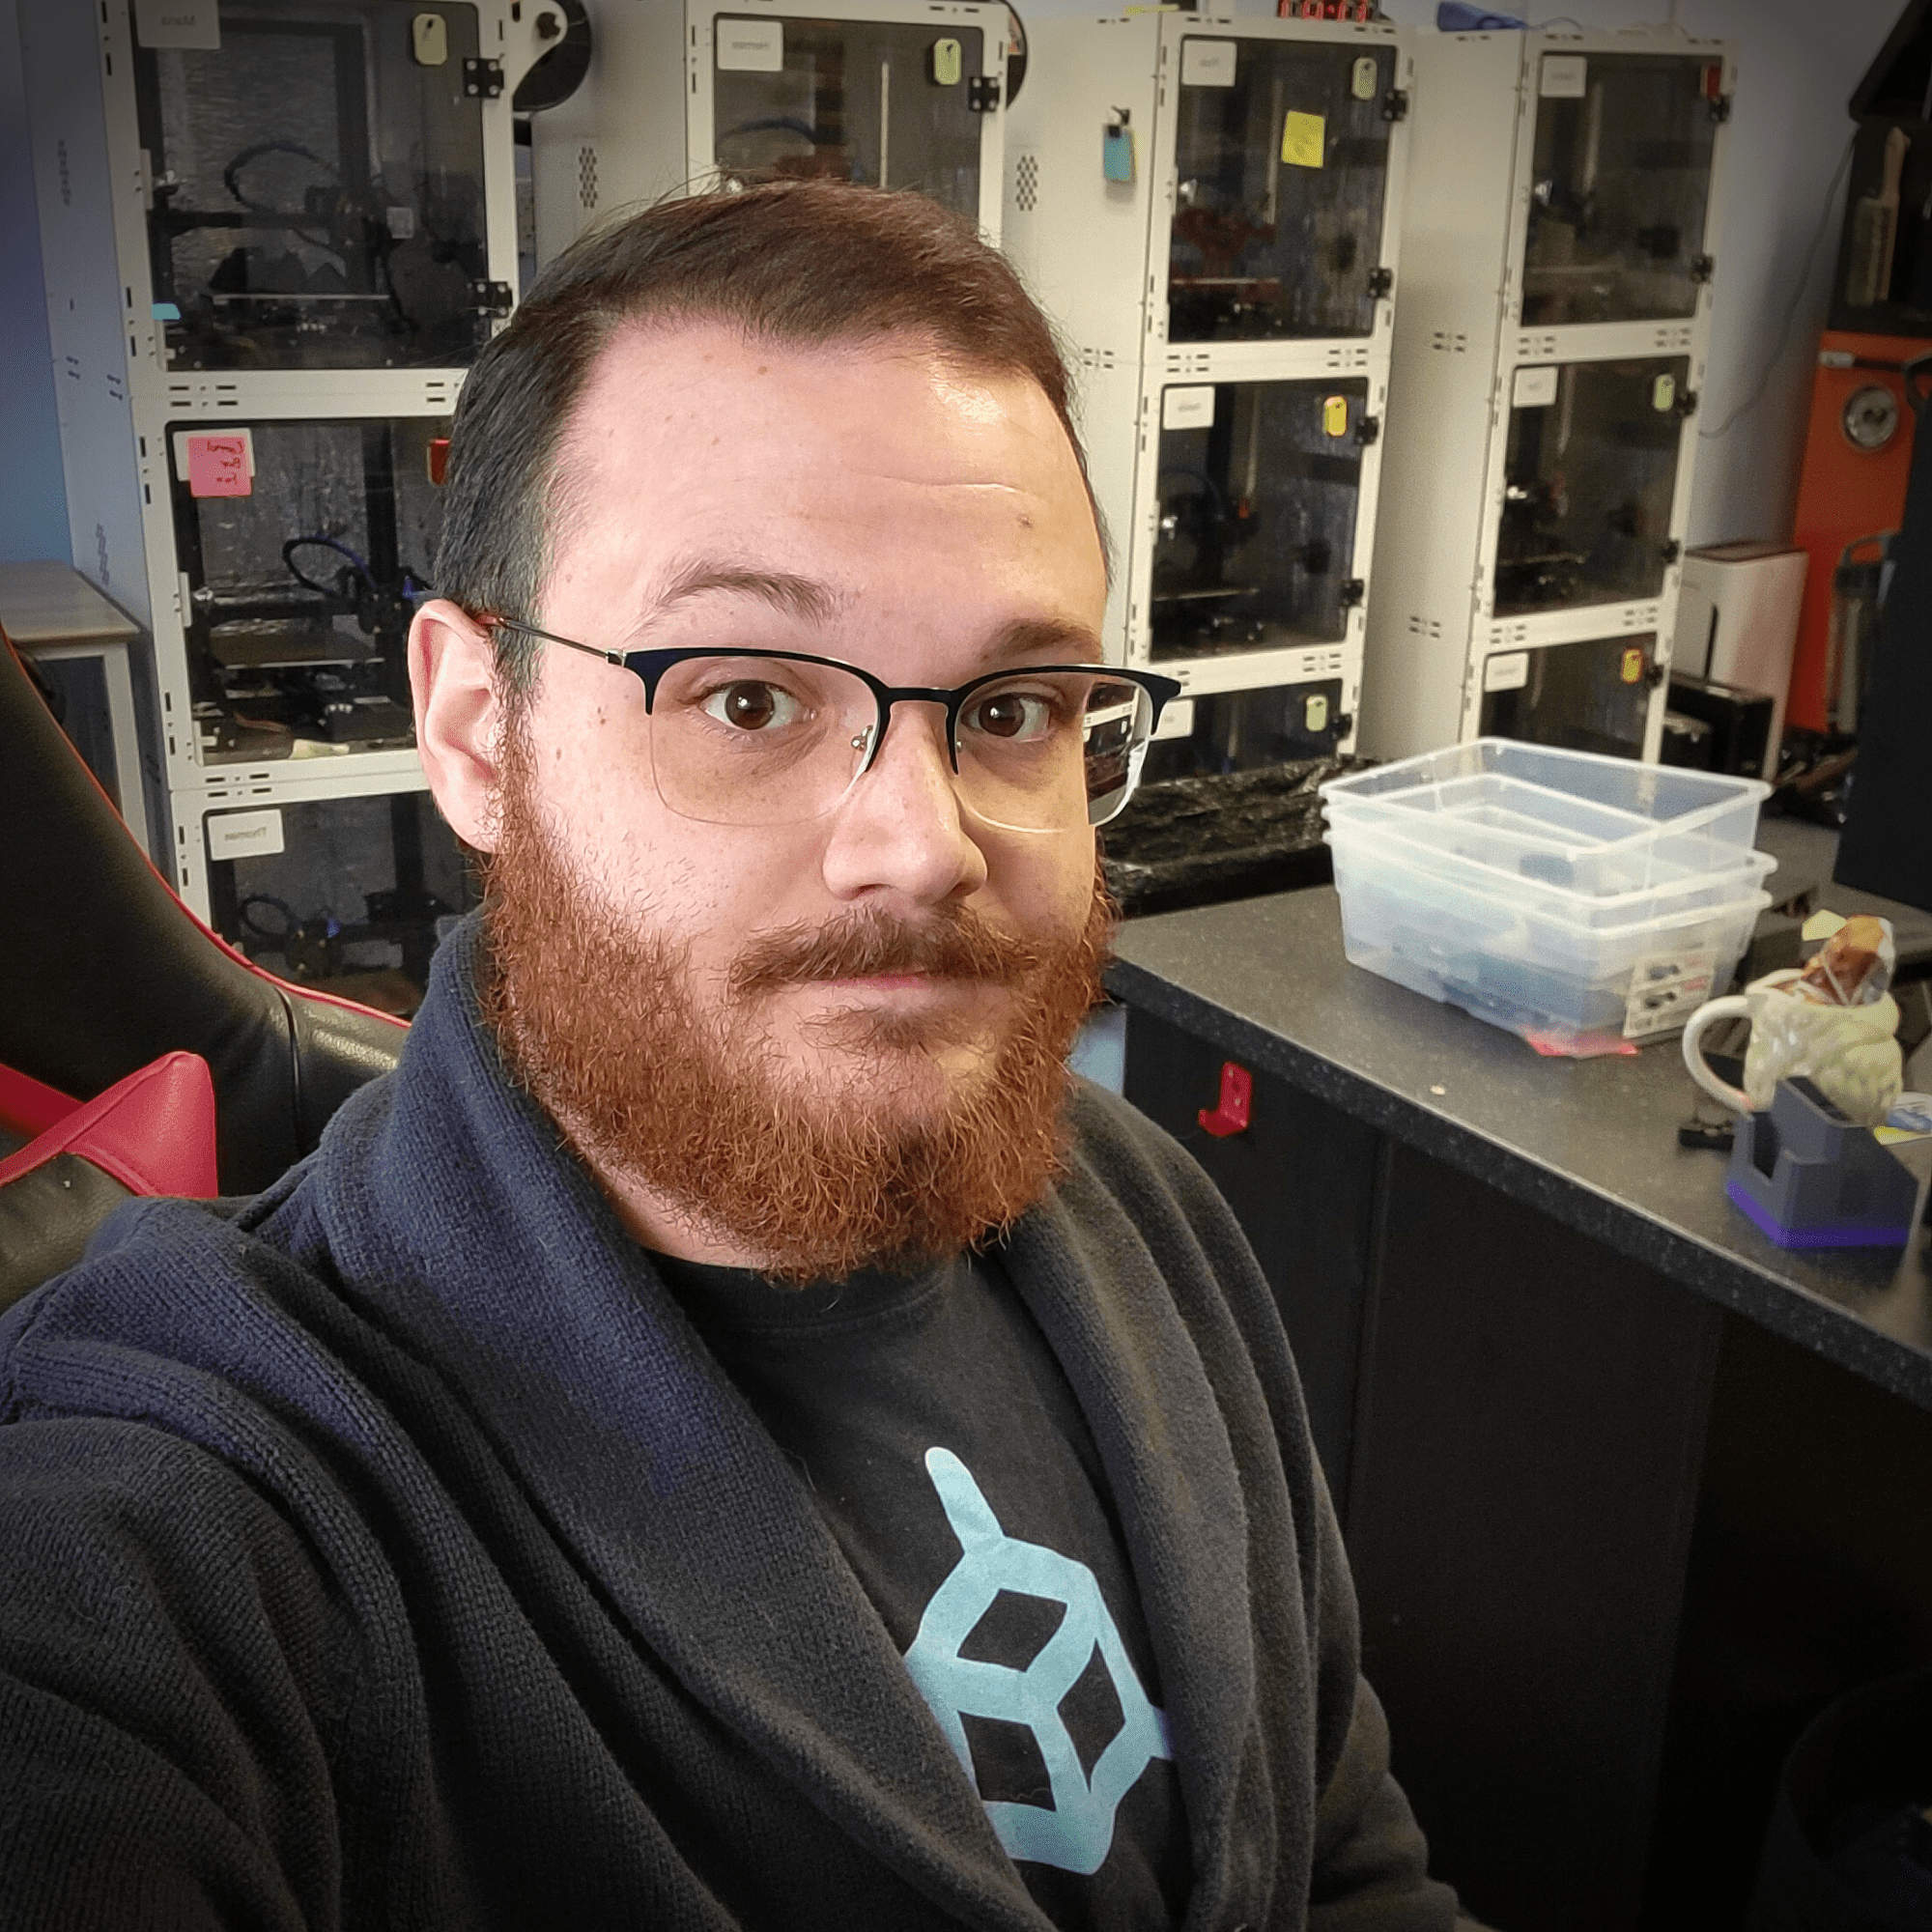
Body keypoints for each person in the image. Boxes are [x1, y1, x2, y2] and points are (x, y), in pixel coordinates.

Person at [0, 182, 1468, 1930]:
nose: (921, 846)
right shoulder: (194, 1527)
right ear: (478, 733)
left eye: (1013, 711)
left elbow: (1343, 1858)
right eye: (749, 698)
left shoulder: (1144, 1212)